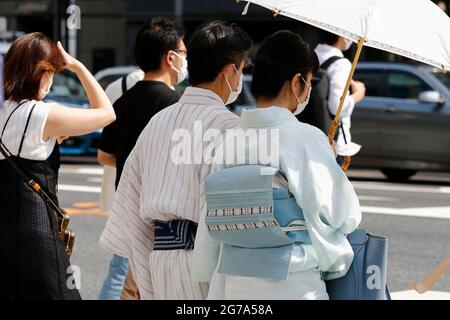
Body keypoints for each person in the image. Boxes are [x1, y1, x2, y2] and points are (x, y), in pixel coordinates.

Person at [193, 31, 361, 300]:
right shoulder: (305, 138)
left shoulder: (228, 140)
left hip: (234, 281)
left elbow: (210, 218)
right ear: (296, 83)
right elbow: (341, 214)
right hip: (293, 281)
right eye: (307, 81)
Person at [99, 21, 252, 299]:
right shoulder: (231, 127)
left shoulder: (158, 122)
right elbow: (237, 217)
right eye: (241, 69)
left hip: (159, 260)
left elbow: (130, 206)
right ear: (230, 71)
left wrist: (146, 279)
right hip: (208, 265)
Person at [0, 32, 115, 300]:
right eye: (51, 71)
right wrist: (77, 66)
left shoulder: (6, 110)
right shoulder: (42, 114)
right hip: (38, 229)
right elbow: (107, 113)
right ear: (41, 73)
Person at [97, 17, 185, 300]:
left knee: (129, 286)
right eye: (183, 53)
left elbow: (104, 155)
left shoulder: (122, 101)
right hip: (163, 215)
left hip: (128, 206)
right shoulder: (177, 105)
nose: (186, 60)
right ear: (170, 58)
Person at [315, 32, 366, 158]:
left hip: (309, 135)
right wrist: (357, 95)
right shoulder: (341, 64)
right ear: (340, 36)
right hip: (334, 143)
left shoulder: (311, 55)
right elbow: (336, 106)